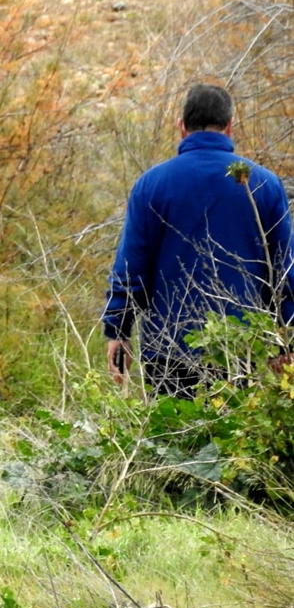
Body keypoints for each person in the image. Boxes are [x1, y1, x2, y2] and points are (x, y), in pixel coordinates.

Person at [103, 83, 294, 398]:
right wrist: (286, 340)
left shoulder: (151, 185)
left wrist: (118, 330)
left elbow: (131, 266)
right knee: (235, 441)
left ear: (181, 127)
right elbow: (284, 271)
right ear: (230, 126)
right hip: (240, 349)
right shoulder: (264, 184)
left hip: (167, 348)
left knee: (171, 442)